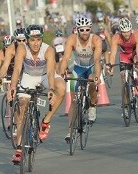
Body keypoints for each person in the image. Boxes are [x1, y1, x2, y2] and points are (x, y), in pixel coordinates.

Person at [7, 25, 65, 164]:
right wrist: (13, 86)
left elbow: (51, 72)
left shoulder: (48, 50)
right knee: (22, 109)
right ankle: (19, 150)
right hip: (28, 77)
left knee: (61, 87)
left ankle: (46, 121)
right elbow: (17, 70)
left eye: (38, 39)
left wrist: (51, 89)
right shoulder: (22, 48)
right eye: (32, 40)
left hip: (44, 76)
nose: (35, 43)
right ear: (27, 40)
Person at [58, 17, 102, 142]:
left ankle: (92, 106)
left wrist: (97, 76)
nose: (85, 32)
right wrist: (62, 73)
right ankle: (70, 130)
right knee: (73, 100)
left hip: (92, 67)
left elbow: (98, 60)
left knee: (92, 81)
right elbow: (66, 58)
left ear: (90, 29)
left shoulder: (96, 40)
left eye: (87, 30)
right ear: (77, 30)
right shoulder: (72, 39)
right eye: (82, 30)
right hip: (78, 68)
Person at [107, 17, 138, 95]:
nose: (126, 34)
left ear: (131, 30)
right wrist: (111, 66)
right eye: (124, 32)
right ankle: (126, 103)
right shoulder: (116, 37)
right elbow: (113, 55)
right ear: (120, 31)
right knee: (123, 77)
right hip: (124, 55)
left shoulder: (136, 36)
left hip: (134, 54)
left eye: (128, 31)